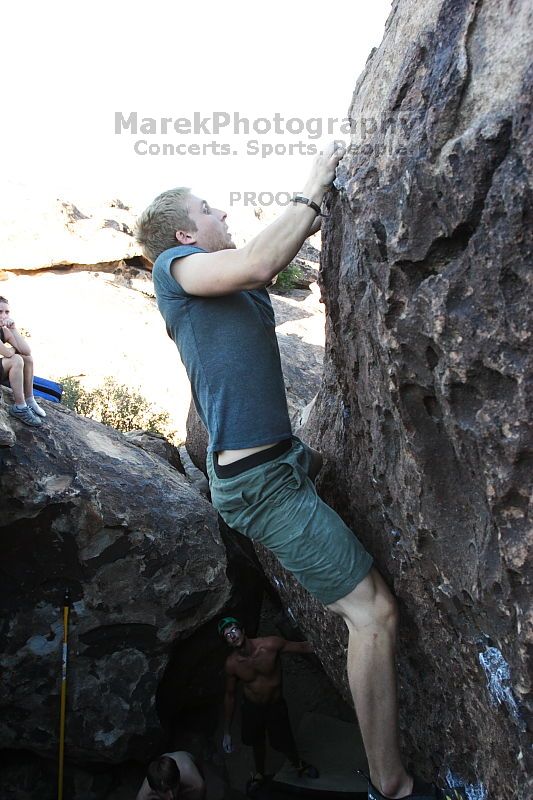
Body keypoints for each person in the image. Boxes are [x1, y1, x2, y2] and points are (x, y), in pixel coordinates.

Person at [135, 143, 465, 800]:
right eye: (207, 208)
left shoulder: (225, 279)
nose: (220, 210)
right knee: (372, 614)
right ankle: (390, 786)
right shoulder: (176, 268)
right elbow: (260, 259)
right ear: (182, 234)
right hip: (260, 482)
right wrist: (314, 184)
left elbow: (271, 257)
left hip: (279, 461)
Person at [219, 616, 319, 787]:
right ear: (227, 642)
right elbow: (229, 695)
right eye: (227, 635)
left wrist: (331, 645)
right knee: (257, 741)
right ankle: (259, 772)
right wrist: (226, 731)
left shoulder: (270, 645)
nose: (232, 635)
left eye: (234, 629)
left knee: (284, 740)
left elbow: (302, 646)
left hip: (275, 705)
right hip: (252, 707)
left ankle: (298, 764)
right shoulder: (232, 664)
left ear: (243, 630)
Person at [0, 295, 46, 427]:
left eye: (7, 312)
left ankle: (29, 399)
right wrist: (15, 349)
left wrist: (13, 329)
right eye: (0, 312)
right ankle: (20, 407)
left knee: (27, 359)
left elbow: (26, 351)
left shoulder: (4, 330)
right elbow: (8, 353)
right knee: (16, 360)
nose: (4, 315)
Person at [136, 751, 205, 800]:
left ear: (179, 779)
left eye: (174, 787)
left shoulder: (196, 785)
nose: (171, 796)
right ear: (154, 790)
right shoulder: (144, 796)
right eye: (165, 791)